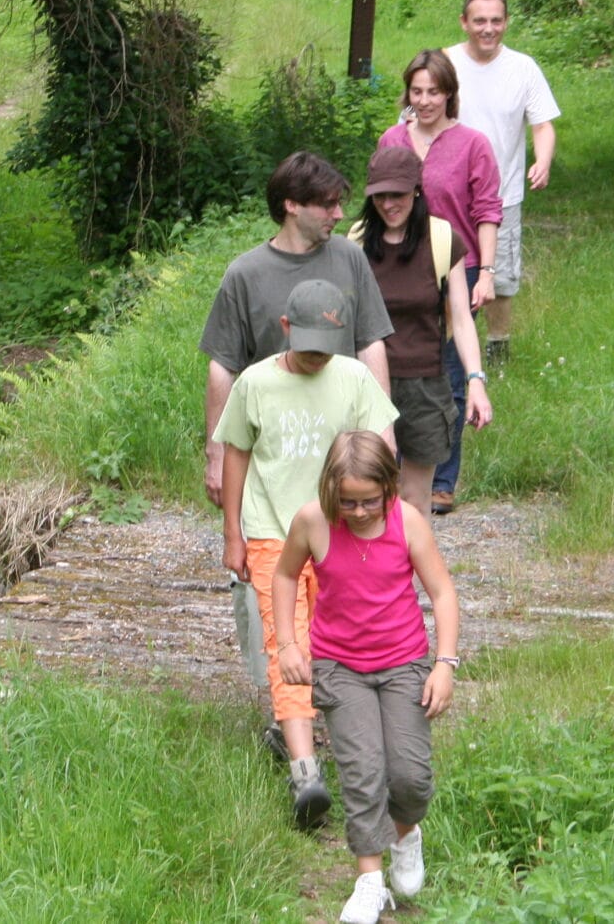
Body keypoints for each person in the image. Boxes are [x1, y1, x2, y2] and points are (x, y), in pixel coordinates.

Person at [199, 152, 394, 737]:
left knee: (345, 581)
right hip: (270, 456)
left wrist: (382, 443)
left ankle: (338, 699)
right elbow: (222, 369)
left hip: (340, 461)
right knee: (266, 577)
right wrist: (215, 451)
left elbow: (372, 346)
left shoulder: (350, 260)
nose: (339, 212)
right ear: (291, 205)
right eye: (328, 204)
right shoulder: (246, 274)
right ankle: (282, 704)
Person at [214, 280, 400, 829]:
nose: (319, 354)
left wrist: (385, 527)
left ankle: (349, 745)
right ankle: (305, 771)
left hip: (340, 533)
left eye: (328, 343)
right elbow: (236, 455)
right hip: (273, 531)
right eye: (309, 342)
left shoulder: (355, 378)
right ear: (286, 329)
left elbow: (384, 449)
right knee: (284, 643)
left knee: (338, 639)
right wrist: (232, 532)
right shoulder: (255, 384)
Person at [272, 430, 460, 924]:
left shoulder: (409, 523)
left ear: (390, 489)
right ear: (331, 491)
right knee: (362, 773)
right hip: (340, 666)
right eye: (347, 502)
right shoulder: (313, 521)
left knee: (410, 777)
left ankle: (405, 834)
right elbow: (285, 575)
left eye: (368, 502)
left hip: (404, 663)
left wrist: (445, 664)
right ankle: (369, 881)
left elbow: (441, 592)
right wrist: (290, 644)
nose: (357, 513)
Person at [378, 49, 501, 513]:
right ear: (408, 93)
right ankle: (395, 466)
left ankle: (440, 480)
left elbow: (487, 210)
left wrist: (486, 272)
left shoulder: (472, 143)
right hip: (401, 265)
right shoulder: (393, 138)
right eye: (417, 91)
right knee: (398, 366)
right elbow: (379, 200)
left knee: (448, 369)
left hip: (458, 264)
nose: (426, 100)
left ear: (450, 93)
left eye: (434, 91)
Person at [350, 144, 492, 514]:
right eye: (379, 196)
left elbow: (461, 319)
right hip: (367, 383)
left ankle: (409, 574)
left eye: (396, 194)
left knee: (415, 501)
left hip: (425, 387)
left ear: (416, 190)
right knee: (366, 498)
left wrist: (475, 380)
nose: (388, 204)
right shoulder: (358, 241)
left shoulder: (442, 239)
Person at [446, 0, 561, 367]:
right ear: (464, 22)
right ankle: (445, 346)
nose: (488, 28)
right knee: (444, 269)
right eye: (479, 21)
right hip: (447, 194)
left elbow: (542, 124)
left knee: (500, 276)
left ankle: (497, 347)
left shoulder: (523, 68)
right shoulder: (445, 64)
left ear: (506, 22)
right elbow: (413, 111)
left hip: (502, 194)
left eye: (496, 20)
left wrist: (542, 160)